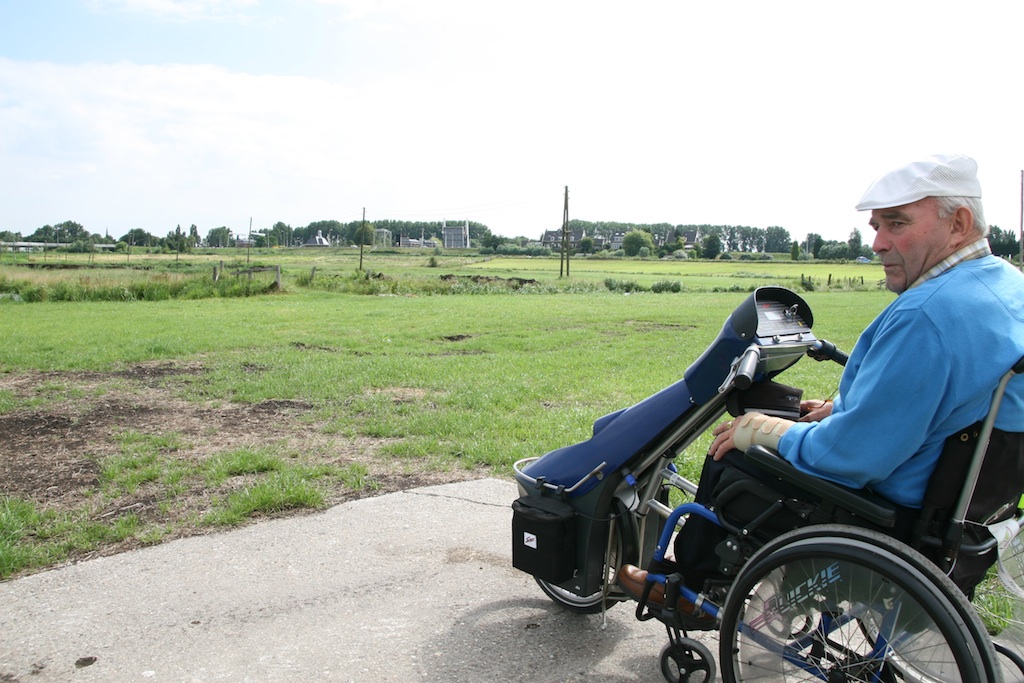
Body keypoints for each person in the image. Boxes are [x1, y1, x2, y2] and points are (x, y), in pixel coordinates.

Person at [619, 154, 1024, 611]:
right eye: (875, 227)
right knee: (782, 416)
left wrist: (766, 430)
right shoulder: (1009, 288)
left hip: (893, 516)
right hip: (969, 513)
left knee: (733, 452)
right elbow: (957, 400)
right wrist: (843, 411)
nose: (878, 243)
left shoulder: (927, 313)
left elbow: (854, 456)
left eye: (896, 224)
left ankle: (688, 587)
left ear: (960, 222)